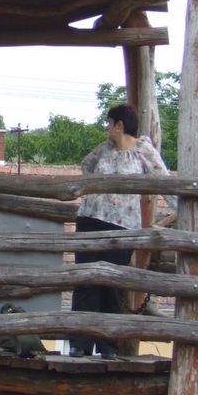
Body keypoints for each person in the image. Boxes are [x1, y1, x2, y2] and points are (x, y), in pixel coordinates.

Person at [69, 104, 170, 358]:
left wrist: (184, 208)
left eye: (109, 123)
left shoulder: (143, 150)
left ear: (119, 125)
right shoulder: (104, 149)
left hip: (122, 225)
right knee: (86, 281)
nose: (107, 128)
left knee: (112, 285)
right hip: (90, 219)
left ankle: (108, 345)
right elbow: (86, 165)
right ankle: (80, 344)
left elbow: (165, 180)